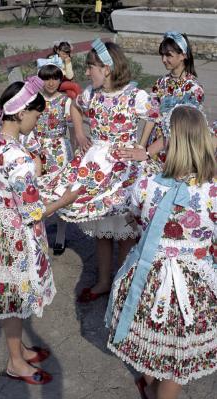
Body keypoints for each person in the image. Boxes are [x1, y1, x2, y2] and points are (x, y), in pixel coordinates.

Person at [0, 78, 78, 384]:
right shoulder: (18, 157)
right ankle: (15, 362)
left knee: (11, 295)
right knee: (12, 298)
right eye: (37, 116)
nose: (38, 123)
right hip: (12, 233)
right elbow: (33, 211)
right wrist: (67, 199)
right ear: (22, 113)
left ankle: (20, 349)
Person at [105, 105, 216, 399]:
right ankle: (157, 391)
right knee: (178, 360)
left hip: (148, 277)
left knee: (150, 344)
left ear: (168, 141)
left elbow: (133, 215)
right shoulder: (213, 190)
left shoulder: (146, 184)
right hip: (195, 286)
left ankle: (149, 383)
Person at [38, 39, 159, 302]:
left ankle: (123, 281)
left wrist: (143, 148)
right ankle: (105, 280)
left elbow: (156, 119)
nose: (86, 72)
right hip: (97, 164)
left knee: (125, 226)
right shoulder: (91, 95)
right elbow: (74, 107)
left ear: (107, 68)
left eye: (91, 66)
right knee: (104, 228)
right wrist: (80, 134)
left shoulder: (135, 95)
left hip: (124, 167)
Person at [118, 31, 204, 163]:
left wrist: (147, 152)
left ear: (183, 55)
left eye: (168, 55)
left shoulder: (193, 89)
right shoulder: (160, 83)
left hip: (178, 149)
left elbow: (181, 129)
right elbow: (152, 117)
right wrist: (142, 145)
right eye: (162, 55)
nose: (164, 59)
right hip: (154, 148)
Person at [23, 60, 74, 255]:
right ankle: (39, 235)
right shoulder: (34, 99)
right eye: (46, 78)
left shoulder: (65, 101)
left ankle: (60, 236)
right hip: (38, 150)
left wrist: (76, 155)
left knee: (61, 192)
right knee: (38, 192)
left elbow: (71, 129)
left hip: (60, 150)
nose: (51, 82)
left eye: (55, 77)